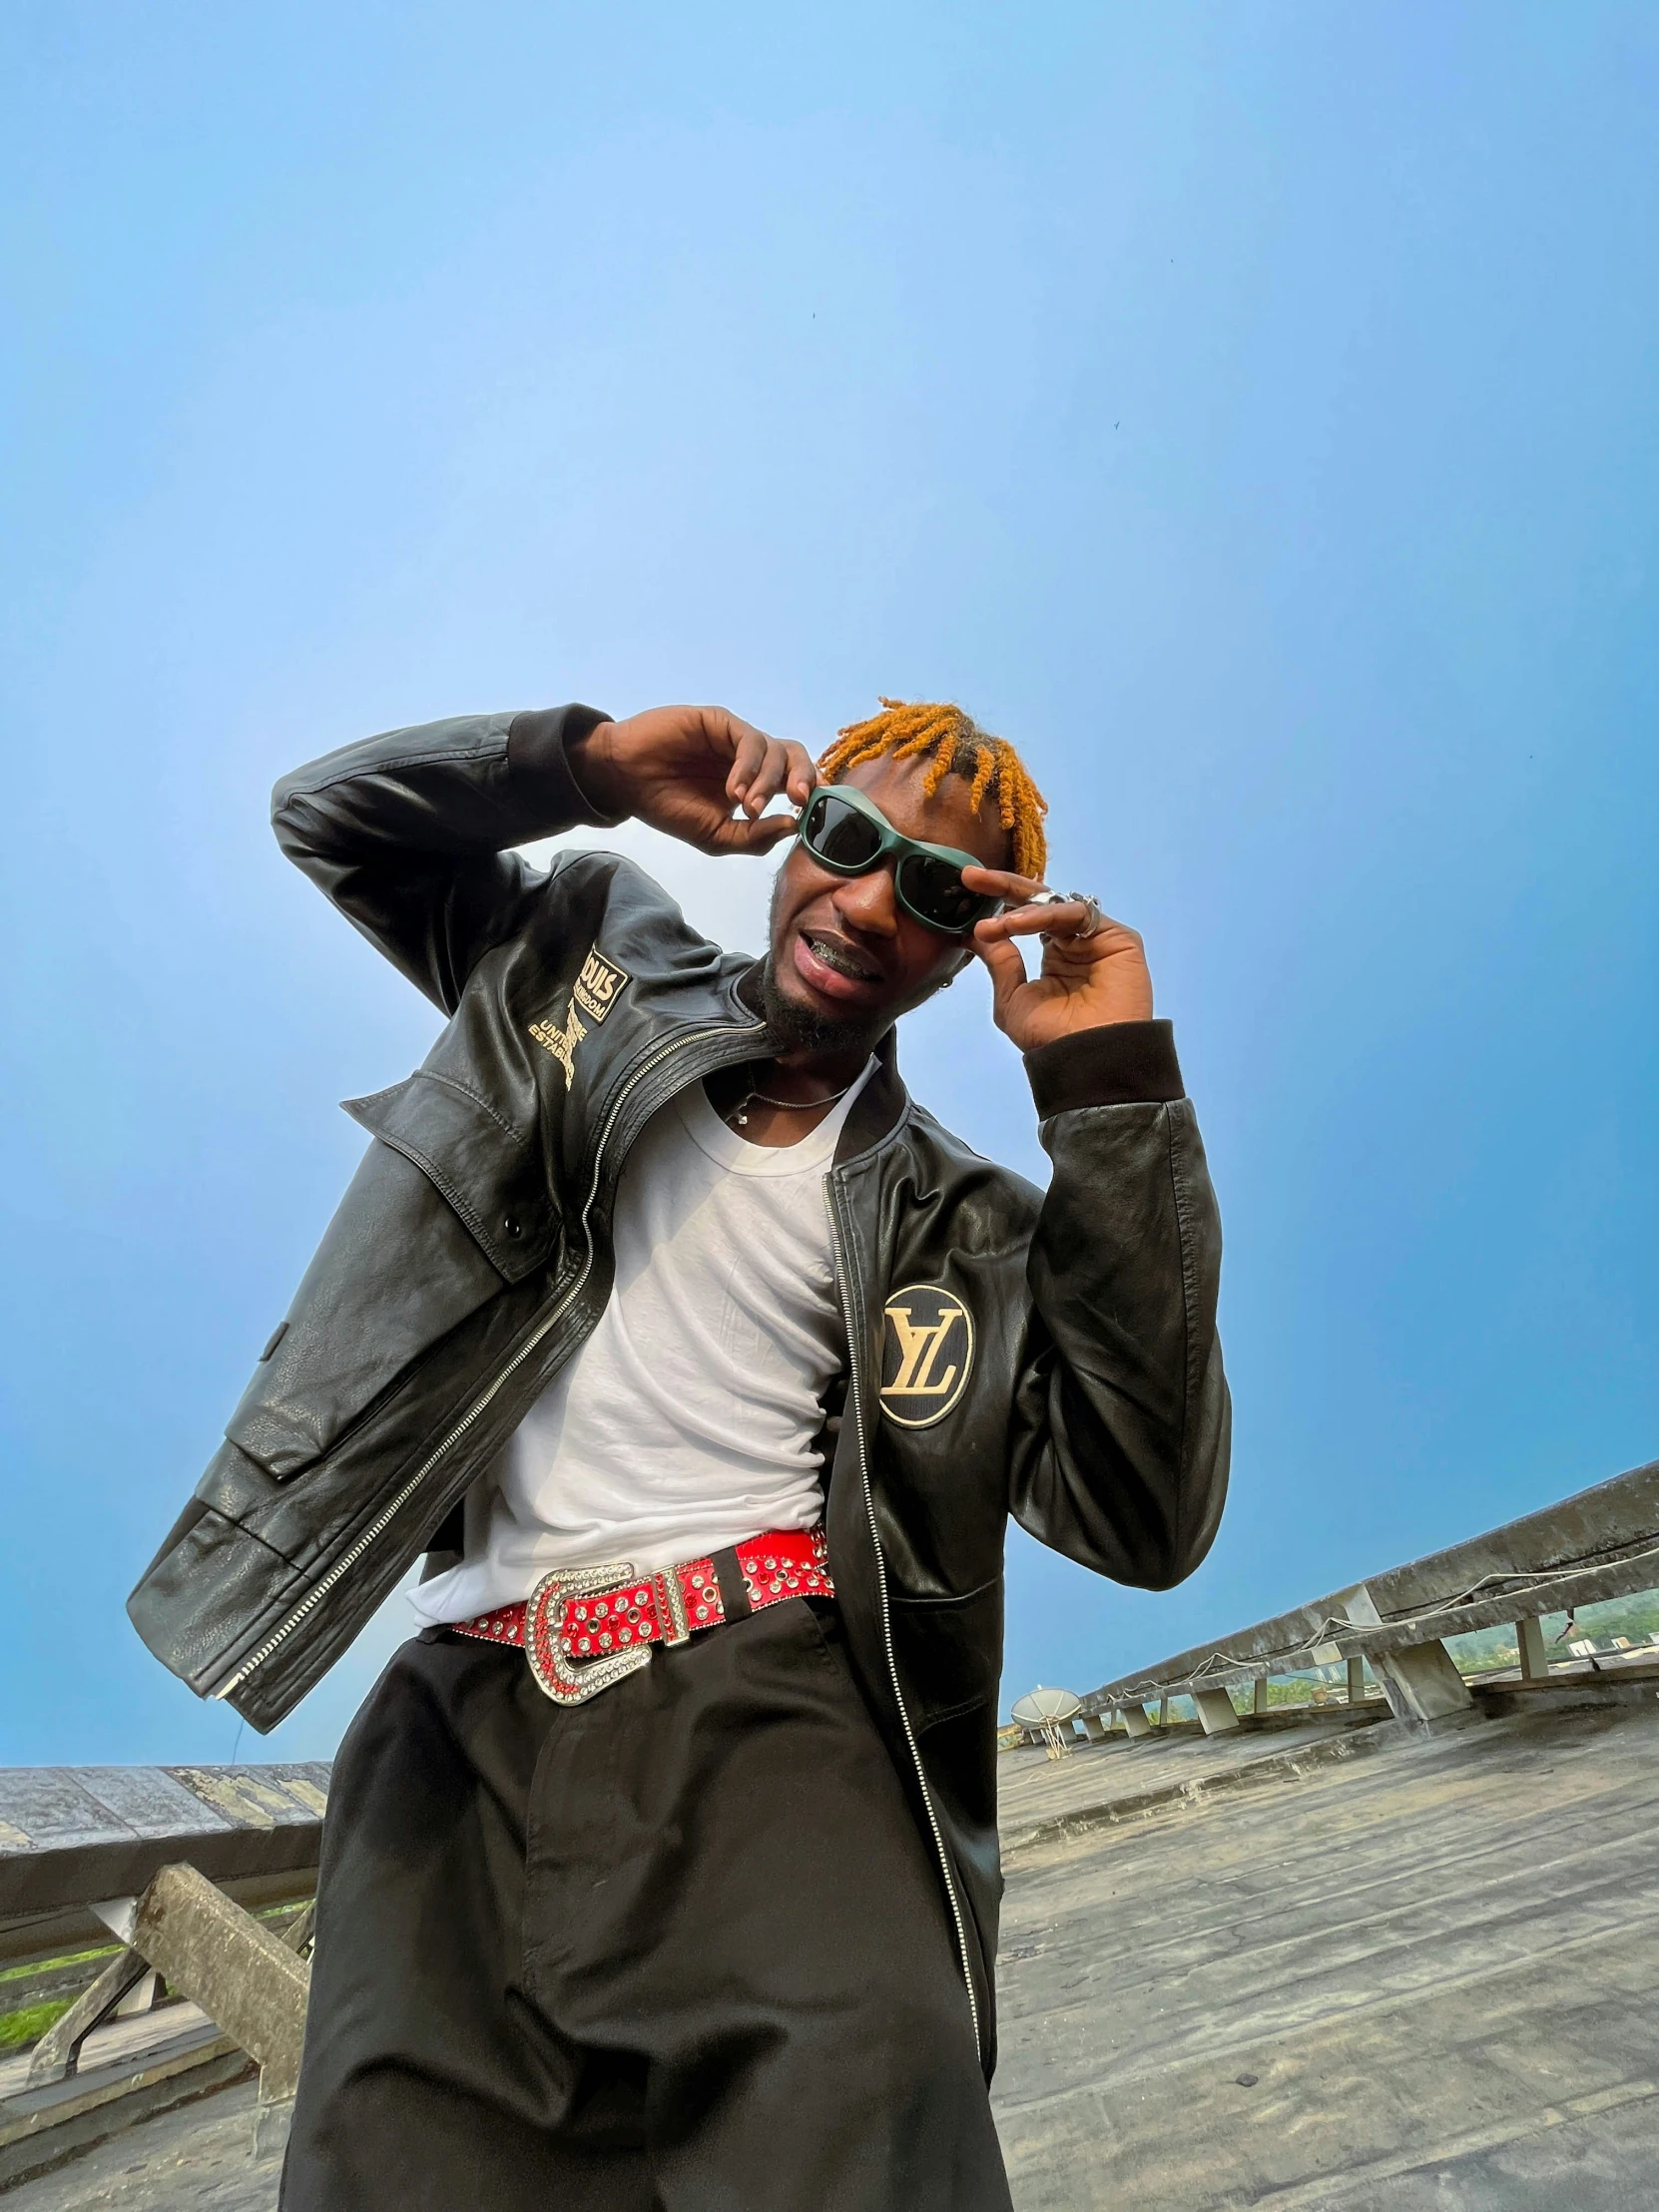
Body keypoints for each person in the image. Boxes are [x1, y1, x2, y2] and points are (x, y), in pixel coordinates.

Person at [128, 696, 1230, 2210]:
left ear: (972, 938)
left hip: (771, 1726)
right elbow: (334, 820)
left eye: (930, 889)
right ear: (796, 831)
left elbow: (1139, 1513)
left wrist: (1108, 1096)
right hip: (453, 1741)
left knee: (865, 2135)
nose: (863, 902)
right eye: (850, 842)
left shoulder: (965, 1227)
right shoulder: (580, 970)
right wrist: (582, 769)